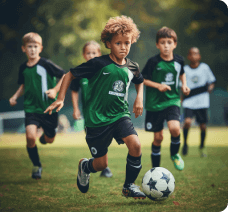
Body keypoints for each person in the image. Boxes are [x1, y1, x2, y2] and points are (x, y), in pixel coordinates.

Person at [45, 16, 146, 199]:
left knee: (136, 145)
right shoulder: (98, 64)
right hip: (97, 121)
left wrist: (139, 98)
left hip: (120, 115)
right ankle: (85, 166)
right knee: (100, 164)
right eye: (118, 43)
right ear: (108, 44)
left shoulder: (132, 67)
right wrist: (60, 98)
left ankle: (128, 186)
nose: (123, 47)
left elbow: (140, 81)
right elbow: (69, 75)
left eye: (127, 43)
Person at [9, 32, 65, 179]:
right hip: (31, 109)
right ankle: (36, 165)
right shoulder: (23, 68)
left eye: (35, 46)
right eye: (29, 47)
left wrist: (54, 90)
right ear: (23, 49)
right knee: (30, 137)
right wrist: (15, 96)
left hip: (49, 109)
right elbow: (23, 85)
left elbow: (65, 76)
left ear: (40, 48)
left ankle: (44, 138)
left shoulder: (46, 64)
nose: (32, 49)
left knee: (50, 139)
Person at [141, 26, 190, 171]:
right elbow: (142, 79)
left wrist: (184, 86)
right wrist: (158, 86)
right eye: (162, 42)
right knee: (158, 138)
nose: (166, 46)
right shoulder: (153, 62)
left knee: (175, 128)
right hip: (154, 104)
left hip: (172, 100)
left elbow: (182, 73)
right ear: (157, 45)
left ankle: (174, 154)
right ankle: (155, 170)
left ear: (174, 44)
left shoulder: (179, 61)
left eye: (169, 42)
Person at [70, 40, 113, 178]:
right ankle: (101, 166)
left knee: (105, 138)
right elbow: (74, 91)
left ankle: (103, 165)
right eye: (88, 53)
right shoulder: (80, 72)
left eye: (94, 52)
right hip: (89, 114)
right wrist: (76, 109)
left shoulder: (105, 70)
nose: (91, 55)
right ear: (84, 55)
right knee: (94, 140)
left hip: (105, 112)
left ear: (99, 54)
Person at [181, 47, 216, 157]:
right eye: (191, 54)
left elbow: (212, 81)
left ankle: (202, 147)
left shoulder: (205, 68)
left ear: (199, 56)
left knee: (203, 126)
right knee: (187, 122)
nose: (194, 56)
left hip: (202, 102)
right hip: (189, 101)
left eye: (196, 54)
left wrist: (210, 88)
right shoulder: (185, 69)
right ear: (188, 56)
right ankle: (185, 144)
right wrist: (182, 97)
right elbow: (181, 86)